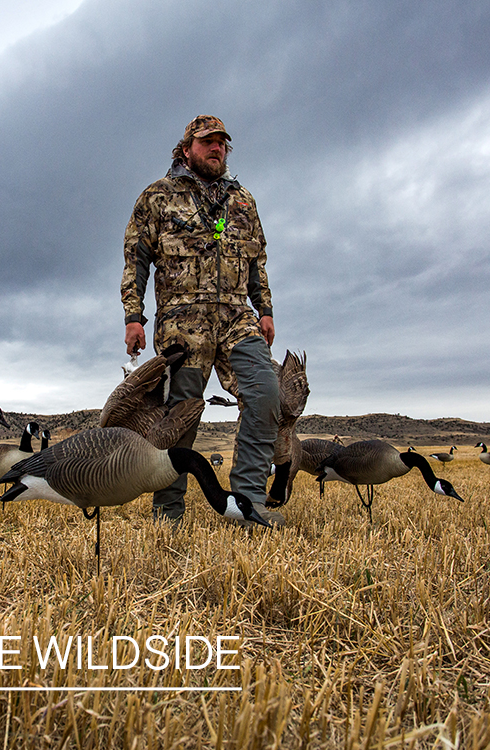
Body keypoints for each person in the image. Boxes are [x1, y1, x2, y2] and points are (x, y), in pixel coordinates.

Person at [121, 115, 283, 527]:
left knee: (267, 395)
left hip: (237, 316)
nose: (217, 148)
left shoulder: (243, 200)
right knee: (180, 417)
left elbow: (257, 260)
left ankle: (248, 504)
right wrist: (134, 317)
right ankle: (168, 514)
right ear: (186, 148)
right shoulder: (157, 196)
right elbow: (136, 259)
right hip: (182, 321)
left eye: (223, 143)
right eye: (208, 141)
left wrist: (264, 309)